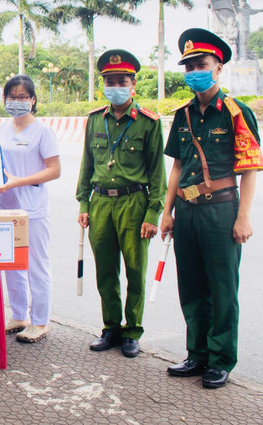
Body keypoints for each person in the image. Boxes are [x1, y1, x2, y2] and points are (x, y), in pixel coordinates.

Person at [160, 28, 263, 389]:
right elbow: (176, 167)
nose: (194, 72)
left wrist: (244, 216)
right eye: (188, 67)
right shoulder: (183, 114)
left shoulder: (237, 113)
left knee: (222, 289)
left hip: (221, 212)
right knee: (191, 287)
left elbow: (249, 168)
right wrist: (167, 211)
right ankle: (197, 354)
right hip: (187, 212)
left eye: (201, 65)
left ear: (217, 68)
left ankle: (221, 360)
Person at [75, 50, 166, 358]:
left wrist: (153, 212)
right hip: (100, 203)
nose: (115, 86)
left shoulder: (149, 123)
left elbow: (157, 173)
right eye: (109, 81)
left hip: (134, 204)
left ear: (133, 85)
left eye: (121, 81)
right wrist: (82, 203)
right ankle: (111, 327)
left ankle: (132, 330)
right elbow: (86, 164)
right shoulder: (94, 121)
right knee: (105, 271)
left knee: (135, 270)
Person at [0, 75, 61, 344]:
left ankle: (40, 321)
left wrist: (19, 182)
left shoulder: (43, 131)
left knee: (35, 265)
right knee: (10, 263)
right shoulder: (0, 130)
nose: (17, 102)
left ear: (32, 100)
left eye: (22, 97)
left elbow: (54, 170)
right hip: (5, 206)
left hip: (33, 208)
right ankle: (19, 315)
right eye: (11, 97)